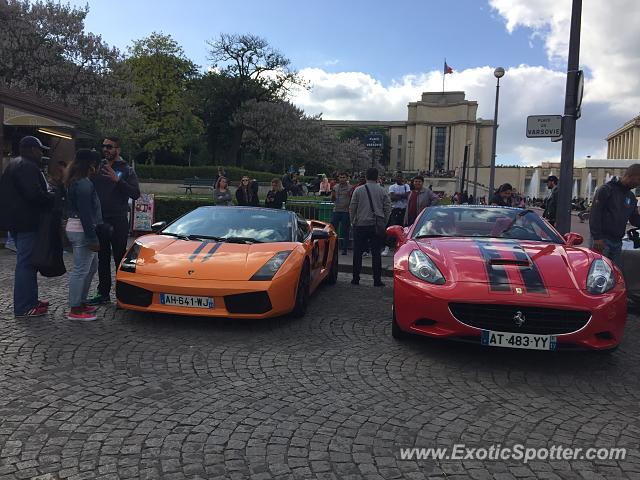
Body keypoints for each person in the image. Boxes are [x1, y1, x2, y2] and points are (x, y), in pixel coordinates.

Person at [0, 136, 54, 318]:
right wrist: (51, 197)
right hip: (27, 222)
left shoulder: (14, 164)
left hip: (15, 222)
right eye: (40, 149)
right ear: (32, 149)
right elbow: (34, 194)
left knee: (27, 263)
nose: (41, 153)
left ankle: (31, 301)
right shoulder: (28, 167)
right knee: (26, 264)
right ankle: (24, 306)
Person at [88, 136, 140, 305]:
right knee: (102, 258)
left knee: (119, 257)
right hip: (101, 219)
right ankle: (103, 293)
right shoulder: (98, 167)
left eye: (109, 147)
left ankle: (121, 295)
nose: (106, 149)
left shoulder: (127, 170)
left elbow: (135, 193)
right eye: (103, 146)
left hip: (118, 219)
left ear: (118, 149)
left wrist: (118, 181)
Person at [65, 149, 103, 321]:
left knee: (91, 266)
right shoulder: (84, 184)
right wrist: (92, 238)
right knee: (81, 269)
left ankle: (80, 301)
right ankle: (75, 308)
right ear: (91, 164)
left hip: (76, 227)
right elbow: (86, 214)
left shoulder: (75, 180)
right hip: (82, 230)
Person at [589, 164, 640, 265]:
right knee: (598, 273)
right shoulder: (606, 190)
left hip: (617, 242)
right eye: (639, 179)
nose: (639, 184)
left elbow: (634, 219)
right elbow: (595, 214)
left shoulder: (631, 197)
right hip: (602, 240)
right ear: (630, 175)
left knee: (615, 273)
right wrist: (597, 237)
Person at [349, 168, 391, 287]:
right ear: (377, 177)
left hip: (360, 224)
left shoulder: (358, 190)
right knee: (376, 253)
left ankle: (355, 278)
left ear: (366, 177)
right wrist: (383, 221)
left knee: (357, 252)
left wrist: (353, 221)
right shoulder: (383, 191)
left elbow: (352, 208)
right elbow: (388, 208)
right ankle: (377, 280)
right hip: (376, 225)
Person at [386, 173, 410, 256]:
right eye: (398, 176)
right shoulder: (392, 187)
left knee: (403, 229)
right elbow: (392, 197)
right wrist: (403, 196)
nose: (399, 178)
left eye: (400, 176)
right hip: (395, 210)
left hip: (404, 210)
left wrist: (397, 196)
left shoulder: (406, 186)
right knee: (393, 228)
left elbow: (408, 196)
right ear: (395, 178)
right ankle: (388, 246)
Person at [330, 172, 351, 255]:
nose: (342, 179)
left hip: (346, 211)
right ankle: (333, 248)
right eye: (340, 177)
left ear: (347, 178)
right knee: (333, 230)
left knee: (345, 231)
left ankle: (344, 249)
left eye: (344, 177)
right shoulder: (335, 187)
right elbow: (332, 199)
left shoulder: (350, 188)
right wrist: (333, 195)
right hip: (336, 210)